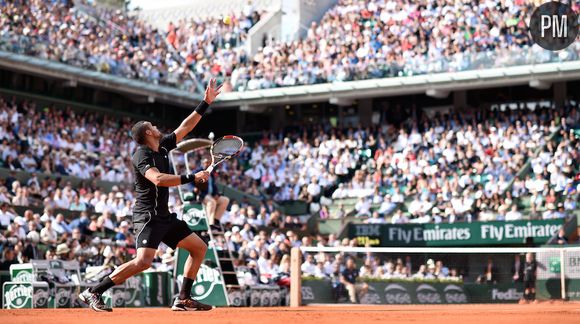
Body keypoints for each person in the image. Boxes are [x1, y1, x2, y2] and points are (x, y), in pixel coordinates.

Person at [78, 78, 222, 312]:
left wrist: (205, 103)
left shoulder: (163, 146)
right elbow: (158, 179)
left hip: (164, 216)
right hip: (147, 216)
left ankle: (183, 298)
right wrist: (191, 177)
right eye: (152, 125)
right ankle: (93, 291)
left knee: (199, 248)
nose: (156, 126)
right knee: (143, 262)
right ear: (147, 133)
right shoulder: (141, 155)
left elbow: (185, 127)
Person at [197, 157, 230, 230]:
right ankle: (210, 224)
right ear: (202, 163)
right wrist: (193, 190)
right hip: (202, 195)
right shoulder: (198, 172)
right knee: (212, 202)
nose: (207, 164)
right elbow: (191, 183)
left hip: (211, 195)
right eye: (206, 162)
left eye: (209, 163)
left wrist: (216, 194)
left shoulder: (210, 174)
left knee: (225, 200)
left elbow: (214, 186)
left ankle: (216, 220)